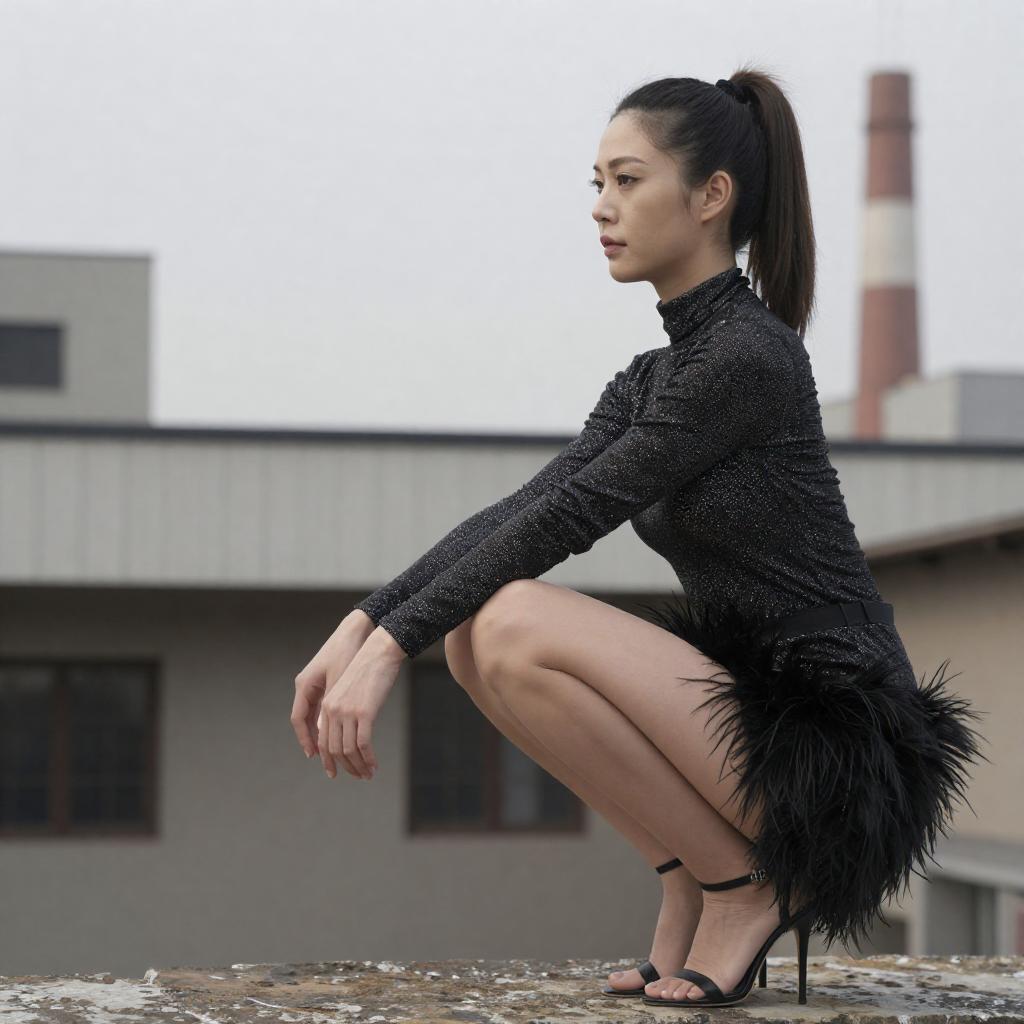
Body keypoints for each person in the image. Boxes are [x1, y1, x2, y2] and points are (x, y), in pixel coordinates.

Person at [290, 66, 986, 1009]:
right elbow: (526, 506)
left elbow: (572, 519)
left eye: (627, 180)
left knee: (513, 619)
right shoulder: (654, 375)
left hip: (830, 750)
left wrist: (385, 653)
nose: (601, 206)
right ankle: (695, 878)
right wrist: (362, 628)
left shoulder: (747, 356)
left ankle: (745, 887)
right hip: (750, 726)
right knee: (472, 639)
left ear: (710, 196)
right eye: (598, 183)